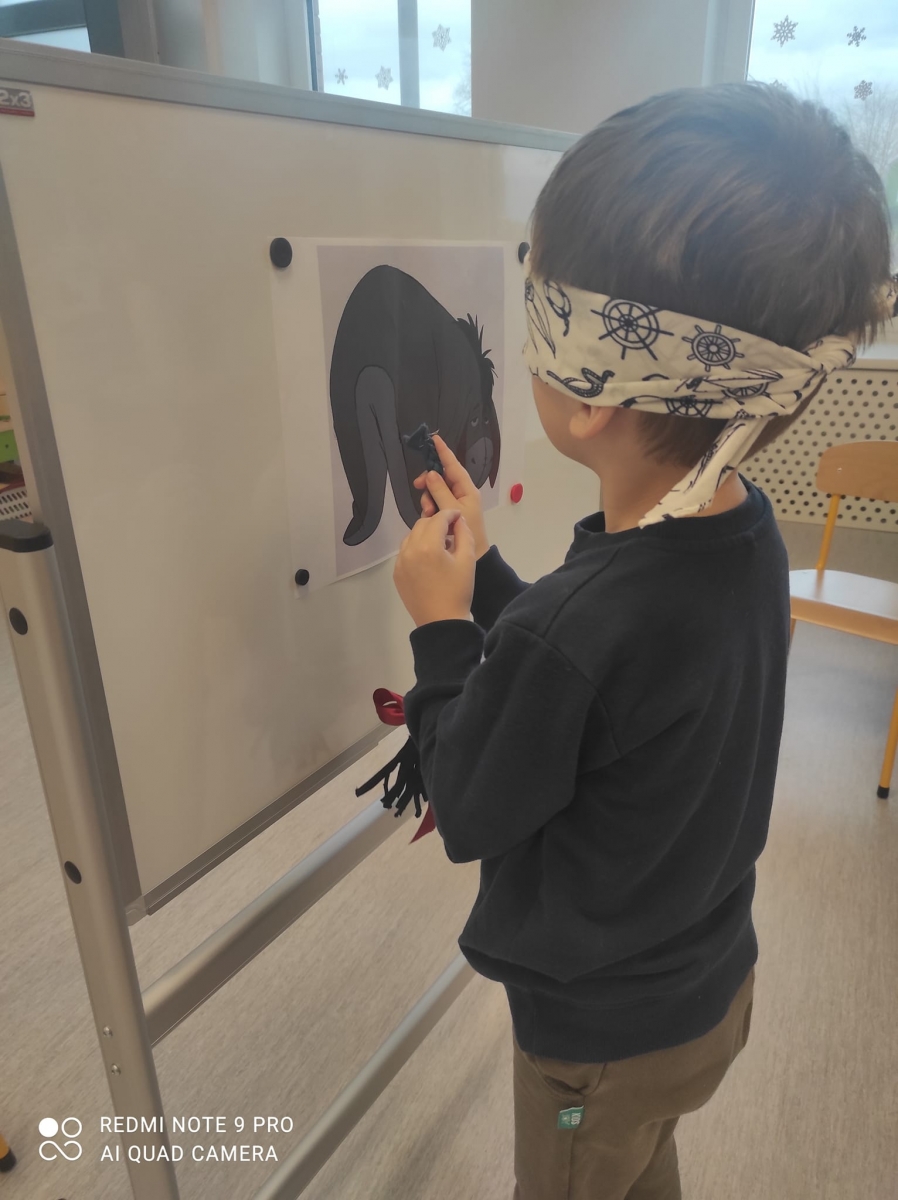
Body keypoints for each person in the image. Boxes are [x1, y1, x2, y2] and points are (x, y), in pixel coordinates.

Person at [390, 83, 893, 1200]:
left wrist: (440, 626)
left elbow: (468, 800)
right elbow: (595, 679)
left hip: (595, 1048)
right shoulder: (744, 533)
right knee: (641, 1167)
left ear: (589, 397)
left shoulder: (581, 625)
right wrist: (488, 585)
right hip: (704, 994)